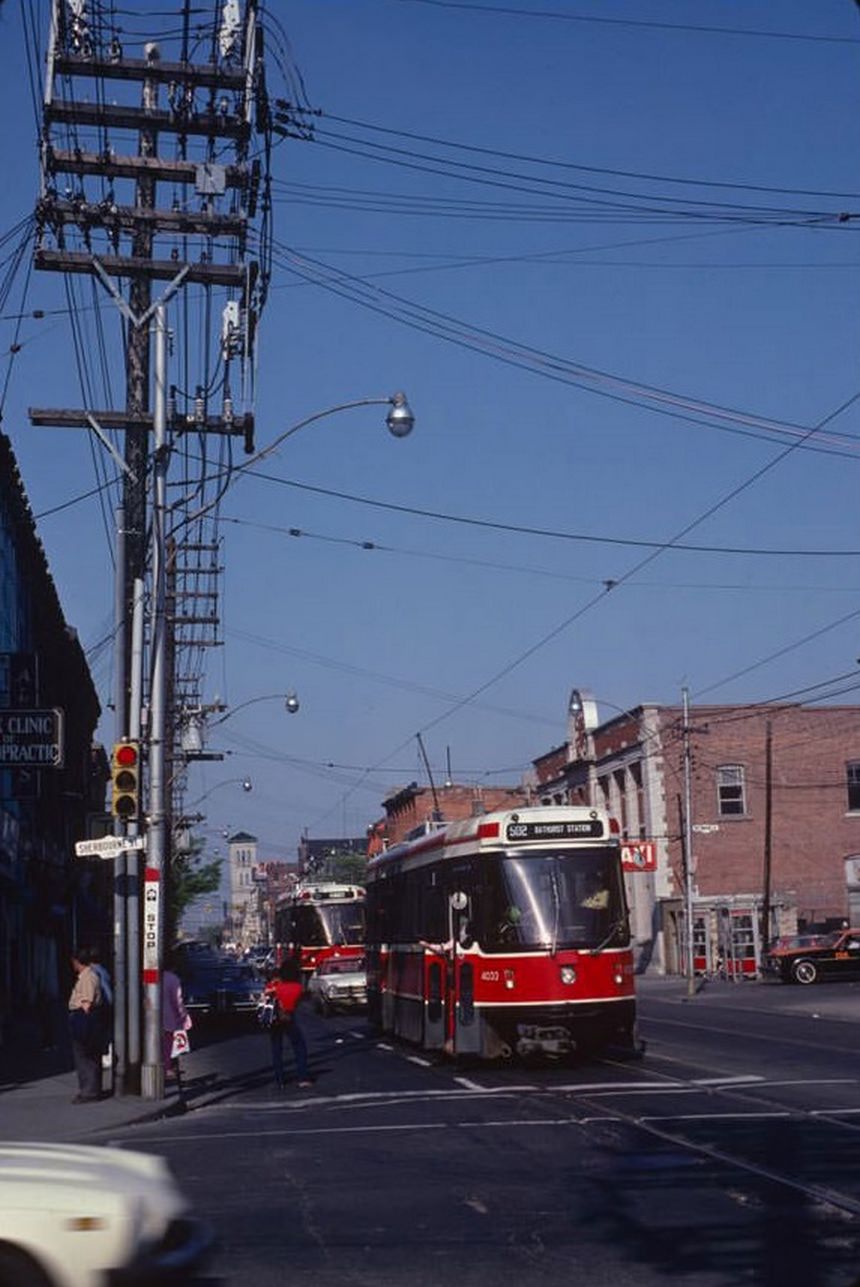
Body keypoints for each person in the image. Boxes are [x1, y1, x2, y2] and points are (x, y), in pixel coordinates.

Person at [264, 960, 312, 1089]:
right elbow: (297, 1003)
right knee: (299, 1046)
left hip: (274, 1019)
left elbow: (266, 996)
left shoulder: (274, 986)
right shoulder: (297, 988)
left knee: (276, 1049)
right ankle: (302, 1077)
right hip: (289, 1017)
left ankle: (280, 1080)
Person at [68, 948, 104, 1103]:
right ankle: (91, 1089)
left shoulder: (87, 977)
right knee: (89, 1056)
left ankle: (89, 1092)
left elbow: (87, 1003)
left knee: (85, 1056)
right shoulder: (88, 976)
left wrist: (81, 1020)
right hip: (87, 1018)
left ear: (77, 961)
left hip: (84, 1018)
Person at [162, 957, 192, 1079]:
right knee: (167, 1043)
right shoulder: (173, 979)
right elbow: (177, 1000)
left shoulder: (153, 976)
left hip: (152, 1015)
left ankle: (164, 1067)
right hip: (168, 1015)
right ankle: (166, 1067)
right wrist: (182, 1015)